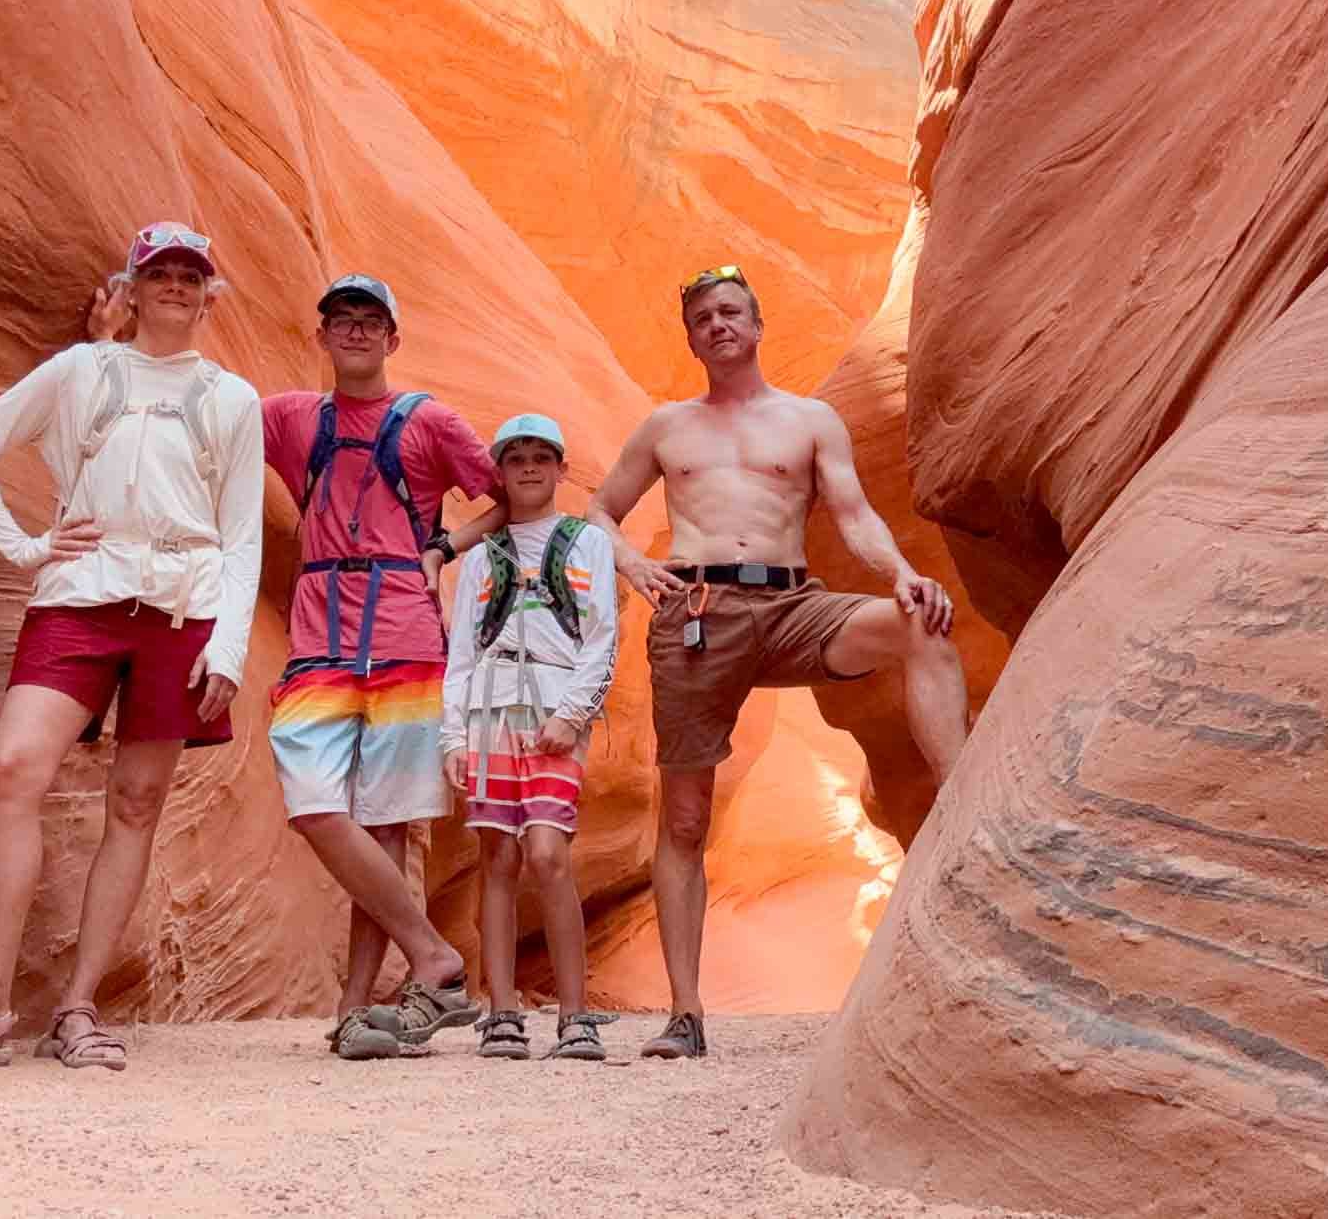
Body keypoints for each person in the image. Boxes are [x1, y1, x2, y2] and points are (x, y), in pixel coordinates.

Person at [0, 221, 264, 1071]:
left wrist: (228, 648)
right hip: (78, 597)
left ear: (209, 294)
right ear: (135, 286)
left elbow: (243, 534)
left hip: (184, 608)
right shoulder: (83, 370)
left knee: (137, 803)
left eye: (193, 274)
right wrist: (24, 546)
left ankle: (78, 1009)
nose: (178, 286)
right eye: (162, 273)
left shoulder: (232, 398)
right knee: (13, 770)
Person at [585, 264, 969, 1060]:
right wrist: (630, 561)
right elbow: (597, 508)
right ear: (692, 338)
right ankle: (686, 1015)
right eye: (703, 317)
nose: (719, 324)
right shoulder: (667, 428)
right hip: (696, 615)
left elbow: (856, 514)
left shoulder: (812, 421)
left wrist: (903, 576)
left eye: (732, 312)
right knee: (685, 816)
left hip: (794, 605)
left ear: (757, 326)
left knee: (918, 624)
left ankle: (964, 796)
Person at [259, 275, 505, 1060]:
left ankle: (356, 1007)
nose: (356, 333)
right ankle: (433, 954)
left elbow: (505, 494)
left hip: (403, 627)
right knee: (311, 800)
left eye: (371, 322)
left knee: (385, 824)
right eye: (342, 321)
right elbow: (206, 418)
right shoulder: (292, 416)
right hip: (321, 628)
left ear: (393, 338)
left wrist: (445, 547)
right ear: (323, 335)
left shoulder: (430, 420)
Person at [439, 413, 618, 1063]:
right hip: (490, 706)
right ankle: (502, 1011)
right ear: (501, 471)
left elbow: (601, 637)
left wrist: (573, 714)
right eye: (517, 458)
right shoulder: (483, 557)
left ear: (562, 468)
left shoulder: (587, 543)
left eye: (543, 456)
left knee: (546, 851)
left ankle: (575, 1015)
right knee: (498, 858)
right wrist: (452, 737)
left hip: (553, 708)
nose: (531, 468)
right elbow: (461, 651)